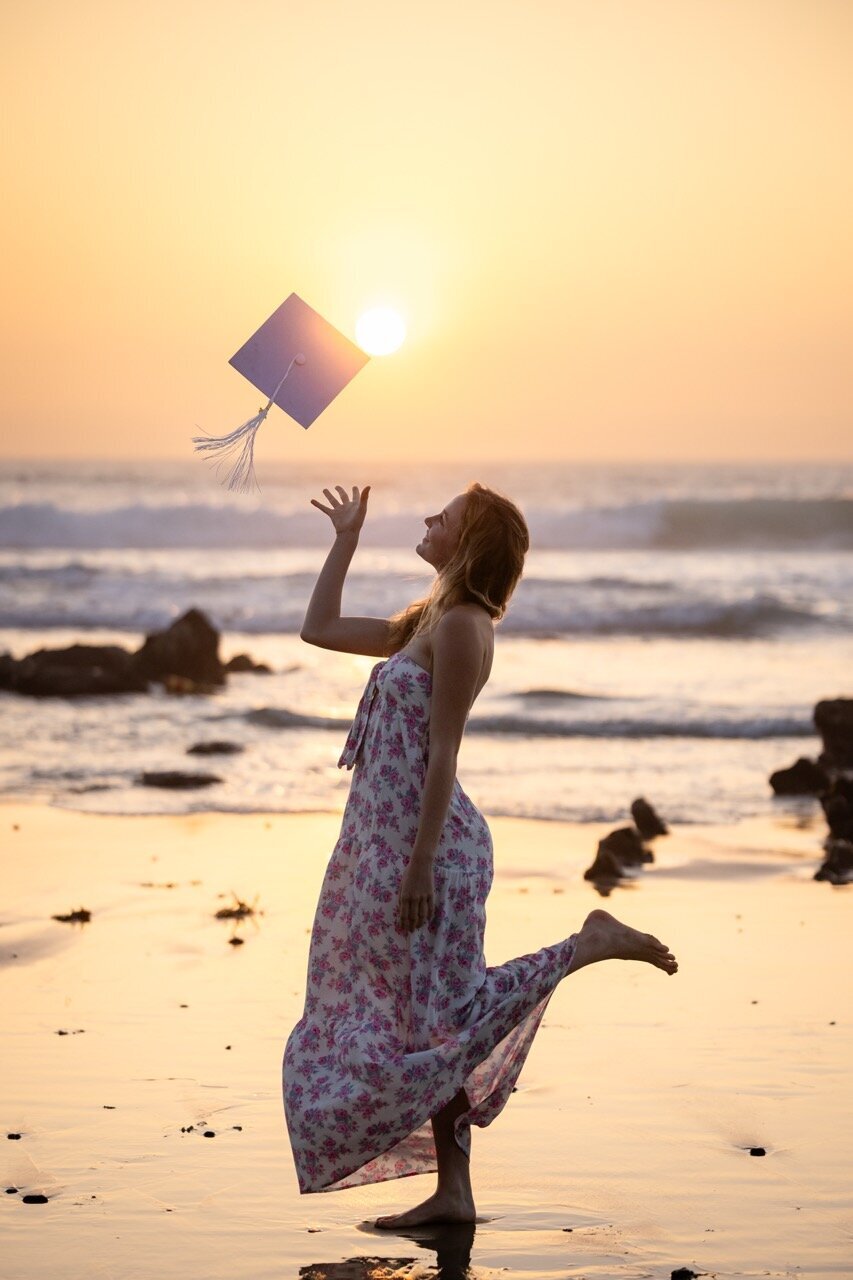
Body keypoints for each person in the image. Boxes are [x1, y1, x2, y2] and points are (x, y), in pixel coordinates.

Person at [282, 482, 678, 1228]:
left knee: (442, 1016)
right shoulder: (428, 618)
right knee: (417, 1018)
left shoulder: (463, 626)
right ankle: (454, 1191)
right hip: (382, 844)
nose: (429, 521)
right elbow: (320, 628)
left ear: (468, 544)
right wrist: (344, 538)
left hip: (428, 850)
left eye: (445, 518)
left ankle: (582, 948)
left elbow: (442, 751)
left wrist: (421, 865)